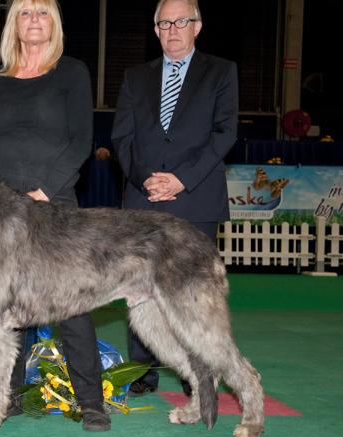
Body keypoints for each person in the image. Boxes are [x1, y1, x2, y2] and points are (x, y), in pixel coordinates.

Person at [0, 0, 110, 432]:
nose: (34, 20)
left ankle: (91, 402)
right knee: (4, 303)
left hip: (55, 206)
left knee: (72, 305)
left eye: (43, 11)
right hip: (2, 208)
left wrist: (44, 191)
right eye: (26, 12)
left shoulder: (71, 72)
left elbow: (81, 140)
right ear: (13, 23)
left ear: (55, 22)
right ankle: (8, 395)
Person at [112, 0, 238, 395]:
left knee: (193, 299)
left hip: (195, 197)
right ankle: (140, 371)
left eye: (181, 21)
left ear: (197, 26)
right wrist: (146, 179)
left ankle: (197, 375)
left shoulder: (221, 72)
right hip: (142, 198)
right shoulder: (135, 76)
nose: (173, 29)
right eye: (164, 23)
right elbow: (122, 137)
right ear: (155, 30)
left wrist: (180, 180)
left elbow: (225, 134)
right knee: (136, 289)